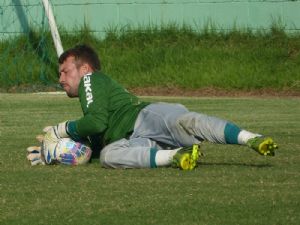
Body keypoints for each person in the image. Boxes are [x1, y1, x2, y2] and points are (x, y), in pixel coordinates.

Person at [42, 44, 278, 170]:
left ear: (85, 70)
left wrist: (60, 130)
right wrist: (57, 154)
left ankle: (250, 138)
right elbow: (94, 138)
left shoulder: (90, 80)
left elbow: (95, 123)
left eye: (65, 71)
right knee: (109, 156)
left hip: (145, 117)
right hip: (136, 139)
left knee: (187, 121)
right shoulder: (92, 100)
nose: (61, 78)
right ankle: (174, 156)